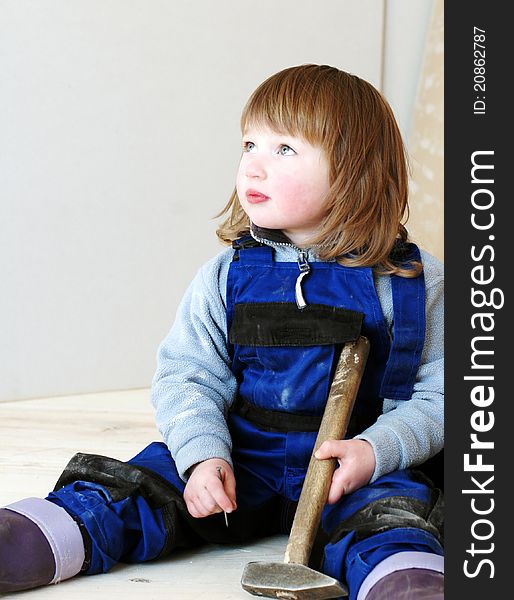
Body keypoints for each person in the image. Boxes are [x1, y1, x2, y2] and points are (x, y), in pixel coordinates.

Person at [0, 64, 444, 600]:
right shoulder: (226, 276)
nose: (253, 167)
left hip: (357, 465)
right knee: (133, 491)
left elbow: (444, 393)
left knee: (393, 520)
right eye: (250, 144)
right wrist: (203, 456)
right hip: (242, 458)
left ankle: (408, 585)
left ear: (356, 168)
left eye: (284, 151)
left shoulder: (412, 283)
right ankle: (27, 541)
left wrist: (377, 450)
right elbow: (188, 375)